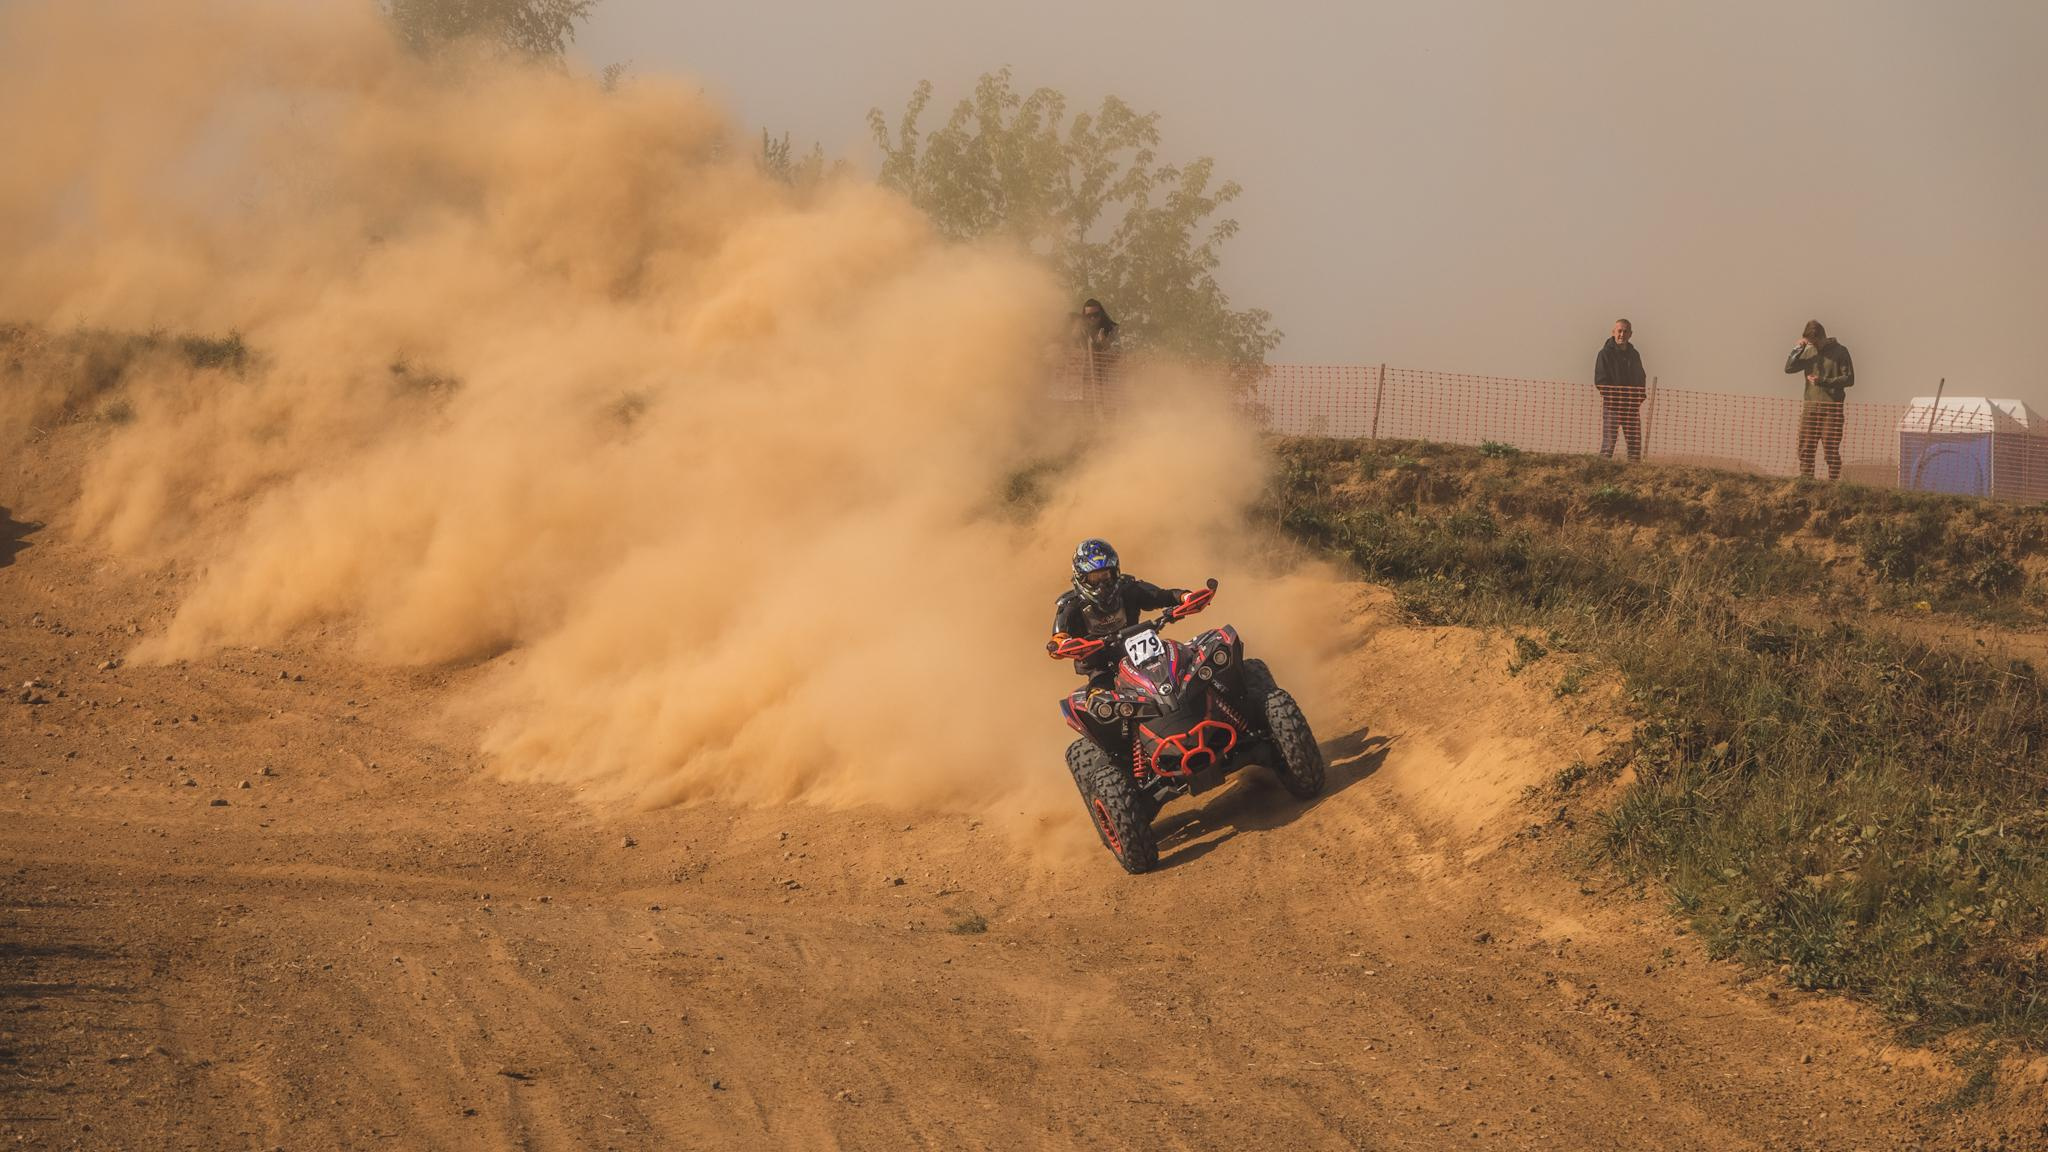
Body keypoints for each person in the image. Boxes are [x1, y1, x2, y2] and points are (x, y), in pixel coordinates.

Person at [1047, 539, 1208, 690]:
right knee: (1099, 701)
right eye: (1095, 578)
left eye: (1106, 575)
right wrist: (1062, 644)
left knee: (1191, 663)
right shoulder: (1070, 605)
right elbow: (1058, 638)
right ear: (1081, 578)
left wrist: (1186, 597)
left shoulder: (1128, 588)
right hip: (1102, 668)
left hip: (1144, 655)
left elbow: (1161, 596)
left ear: (1115, 572)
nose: (1102, 584)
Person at [1784, 319, 1855, 480]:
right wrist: (1797, 349)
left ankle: (1833, 483)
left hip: (1832, 408)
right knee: (1805, 447)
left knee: (1831, 449)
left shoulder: (1840, 351)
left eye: (1815, 342)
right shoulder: (1809, 351)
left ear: (1822, 337)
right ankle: (1807, 481)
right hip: (1810, 408)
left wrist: (1823, 381)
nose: (1813, 345)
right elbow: (1789, 369)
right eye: (1810, 343)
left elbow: (1849, 379)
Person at [1593, 318, 1647, 461]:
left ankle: (1635, 477)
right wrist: (1616, 397)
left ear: (1630, 334)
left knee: (1635, 446)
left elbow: (1641, 378)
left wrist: (1639, 398)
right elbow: (1600, 381)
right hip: (1613, 406)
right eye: (1619, 331)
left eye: (1625, 331)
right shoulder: (1604, 354)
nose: (1622, 334)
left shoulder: (1634, 355)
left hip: (1631, 407)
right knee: (1609, 445)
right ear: (1613, 332)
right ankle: (1601, 475)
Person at [1076, 298, 1121, 408]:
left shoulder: (1112, 330)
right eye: (1089, 316)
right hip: (1085, 380)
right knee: (1086, 413)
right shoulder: (1079, 331)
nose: (1092, 318)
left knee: (1107, 414)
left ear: (1101, 314)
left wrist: (1105, 343)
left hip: (1107, 380)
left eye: (1096, 315)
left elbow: (1118, 354)